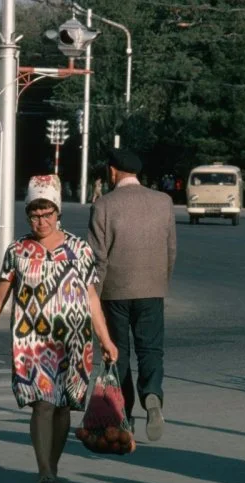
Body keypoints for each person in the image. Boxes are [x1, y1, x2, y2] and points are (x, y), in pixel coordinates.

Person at [0, 175, 118, 483]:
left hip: (75, 340)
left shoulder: (79, 249)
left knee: (64, 405)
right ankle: (45, 471)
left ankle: (53, 464)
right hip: (32, 342)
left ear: (58, 212)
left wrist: (105, 339)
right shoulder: (18, 250)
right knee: (42, 404)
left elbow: (92, 297)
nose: (41, 221)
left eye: (47, 214)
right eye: (34, 215)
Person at [88, 148, 177, 441]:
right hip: (151, 288)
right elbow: (170, 250)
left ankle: (124, 415)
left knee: (118, 353)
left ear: (112, 171)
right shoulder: (163, 202)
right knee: (151, 349)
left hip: (114, 291)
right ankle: (152, 394)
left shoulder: (103, 205)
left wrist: (94, 298)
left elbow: (98, 258)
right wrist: (160, 282)